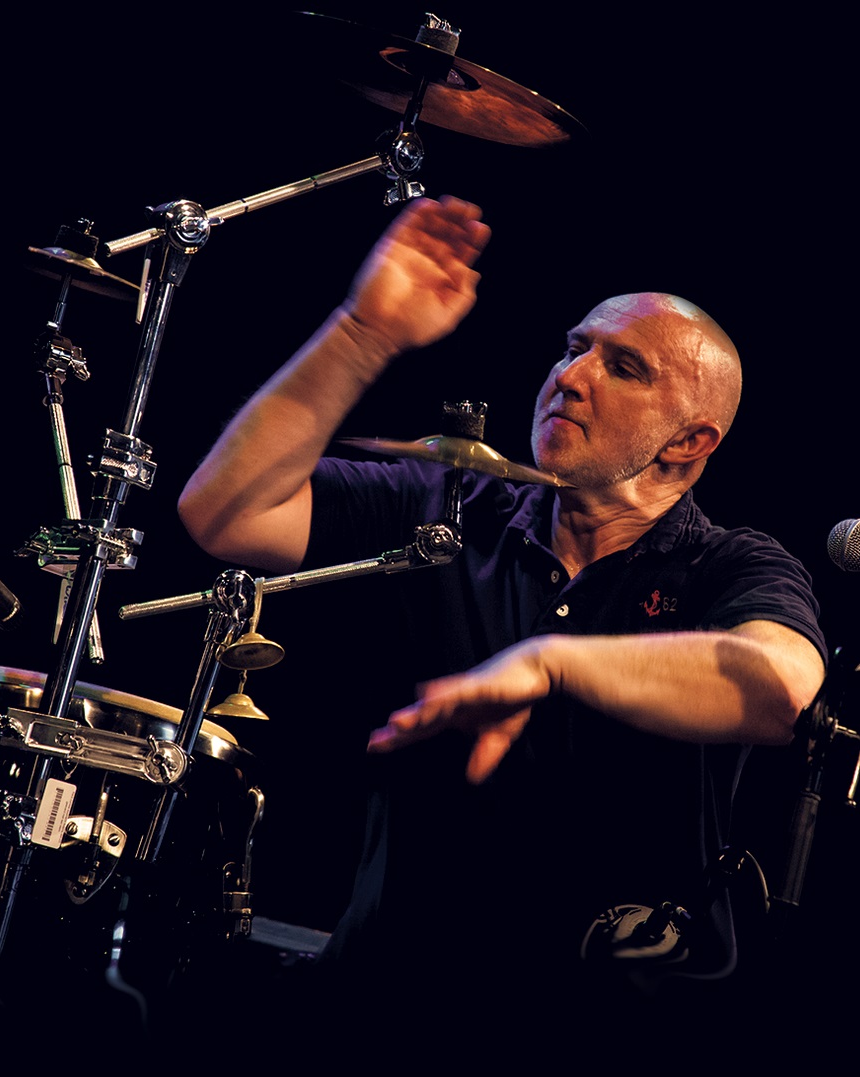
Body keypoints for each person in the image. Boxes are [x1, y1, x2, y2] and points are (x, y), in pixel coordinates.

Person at [175, 196, 826, 1048]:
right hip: (385, 999)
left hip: (608, 1026)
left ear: (687, 442)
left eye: (623, 367)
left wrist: (550, 662)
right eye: (573, 346)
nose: (570, 375)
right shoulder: (451, 508)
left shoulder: (729, 565)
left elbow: (775, 687)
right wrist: (362, 334)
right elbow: (224, 513)